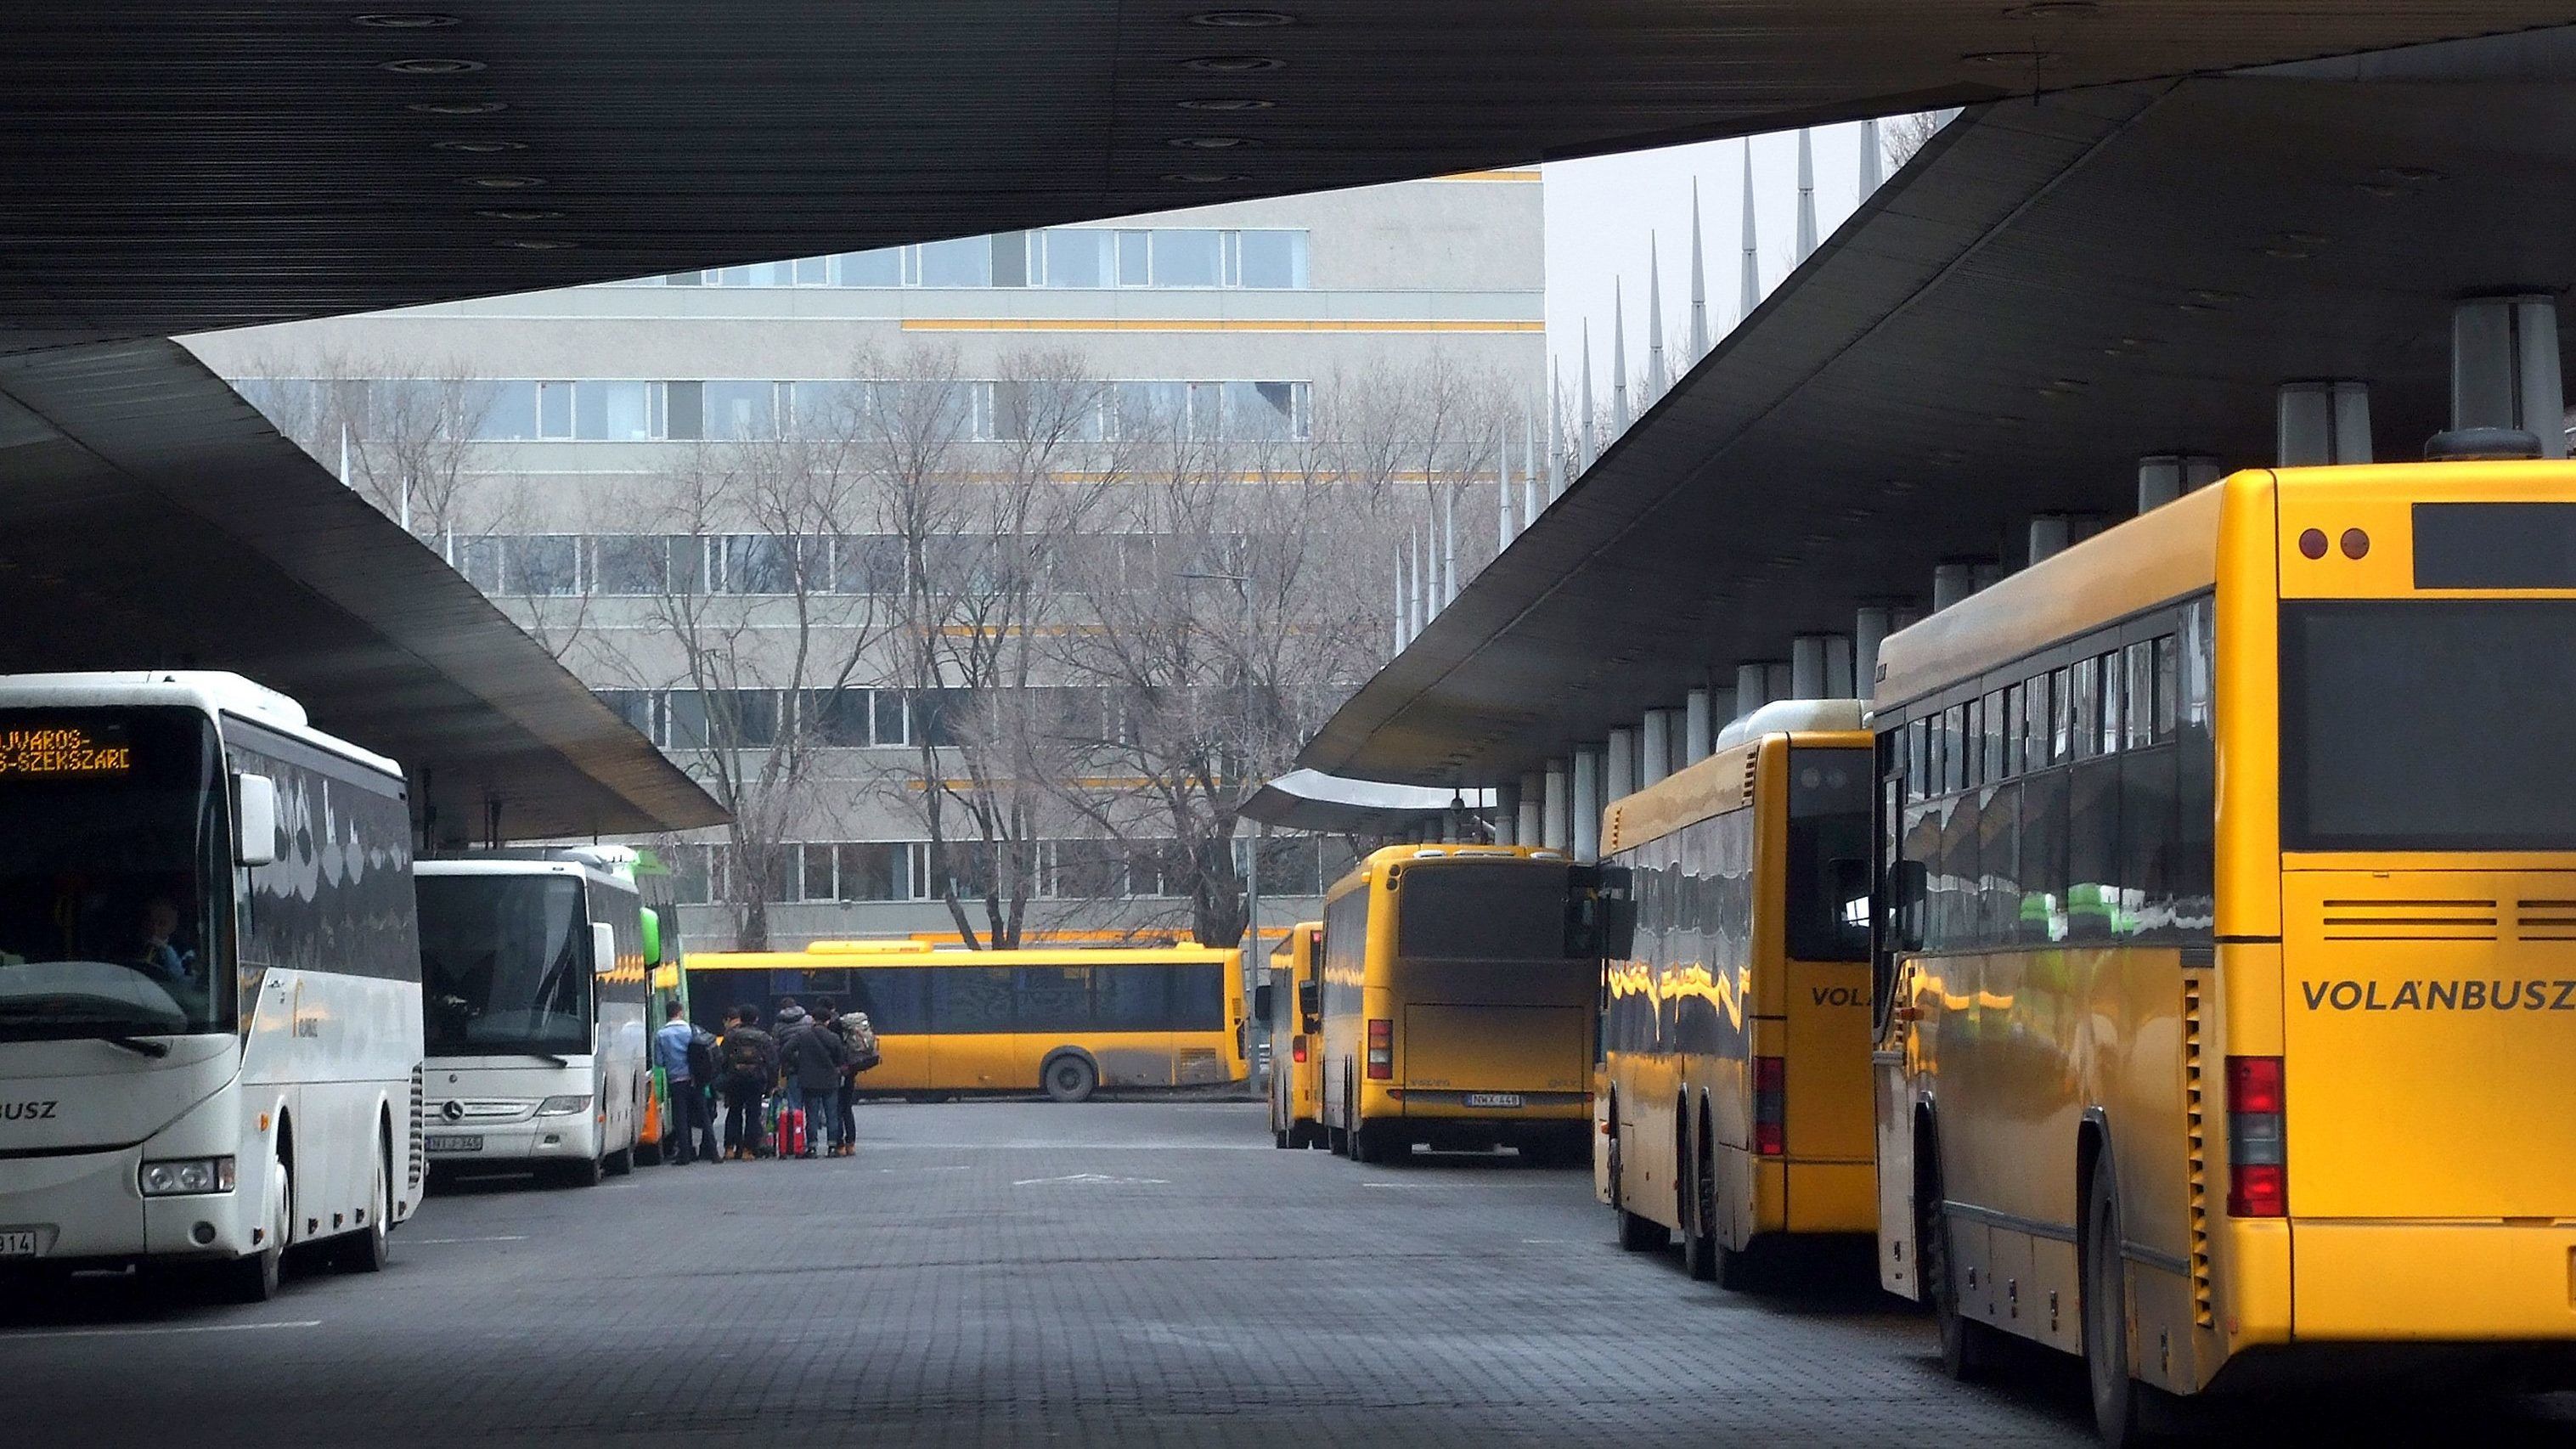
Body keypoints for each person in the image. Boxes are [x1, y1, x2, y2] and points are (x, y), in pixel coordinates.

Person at [774, 998, 848, 1160]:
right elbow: (841, 1059)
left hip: (809, 1080)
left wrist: (799, 1063)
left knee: (812, 1115)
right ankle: (832, 1146)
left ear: (812, 1019)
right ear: (828, 1021)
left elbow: (785, 1051)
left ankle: (812, 1147)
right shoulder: (833, 1038)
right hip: (830, 1081)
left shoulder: (803, 1035)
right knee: (831, 1115)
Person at [651, 1001, 715, 1165]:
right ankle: (714, 1153)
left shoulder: (661, 1035)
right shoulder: (691, 1030)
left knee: (680, 1117)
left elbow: (659, 1062)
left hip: (675, 1080)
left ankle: (685, 1155)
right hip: (694, 1079)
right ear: (680, 1012)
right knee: (703, 1114)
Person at [717, 1006, 778, 1161]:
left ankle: (729, 1149)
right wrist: (771, 1085)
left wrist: (725, 1077)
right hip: (756, 1080)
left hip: (734, 1079)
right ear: (756, 1019)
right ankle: (748, 1150)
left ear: (741, 1018)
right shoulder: (764, 1037)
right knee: (753, 1114)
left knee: (734, 1112)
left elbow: (721, 1059)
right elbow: (772, 1063)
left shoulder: (731, 1036)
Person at [817, 997, 861, 1158]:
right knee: (847, 1108)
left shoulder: (832, 1027)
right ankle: (851, 1144)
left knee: (835, 1109)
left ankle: (840, 1145)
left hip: (836, 1073)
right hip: (849, 1071)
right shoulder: (845, 1024)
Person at [133, 896, 194, 982]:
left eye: (161, 923)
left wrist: (166, 950)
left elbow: (185, 980)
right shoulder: (133, 945)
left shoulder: (185, 951)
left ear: (173, 925)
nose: (155, 928)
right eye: (151, 922)